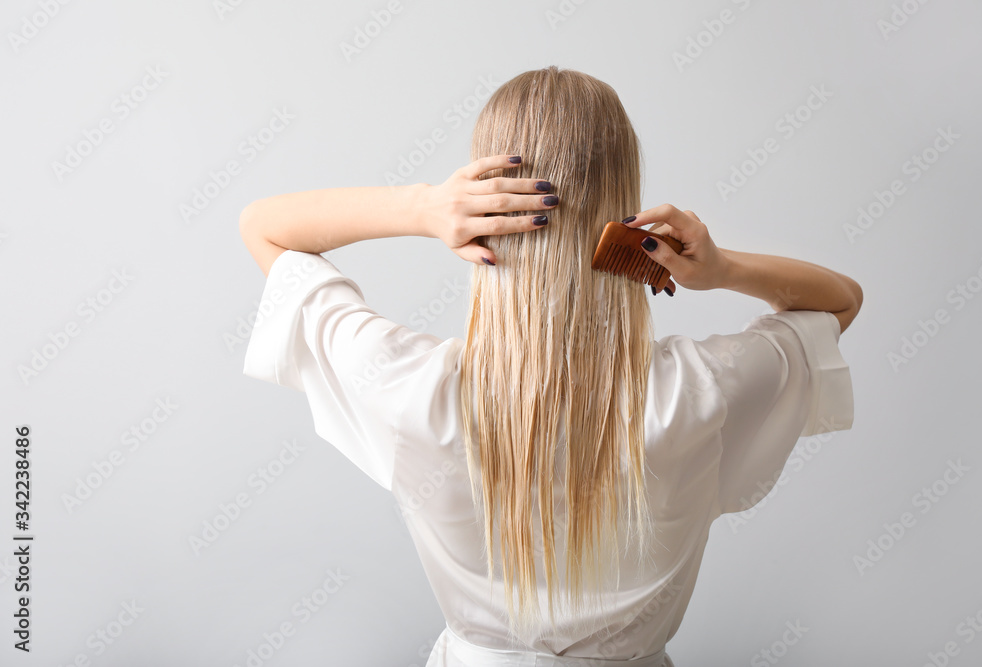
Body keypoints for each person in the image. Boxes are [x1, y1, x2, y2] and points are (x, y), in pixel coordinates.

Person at [239, 66, 861, 667]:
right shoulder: (698, 395)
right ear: (621, 211)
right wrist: (721, 269)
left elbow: (263, 227)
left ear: (482, 204)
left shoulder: (414, 390)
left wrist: (424, 207)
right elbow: (839, 301)